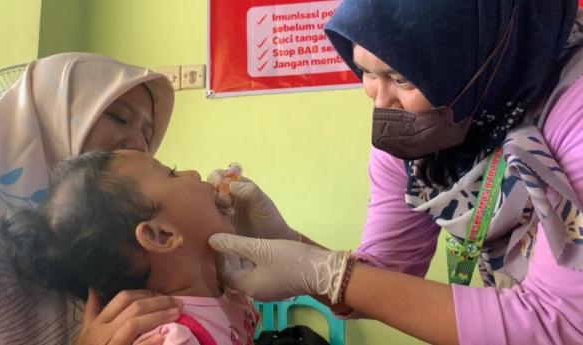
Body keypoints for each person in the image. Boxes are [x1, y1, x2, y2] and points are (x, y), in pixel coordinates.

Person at [207, 1, 583, 344]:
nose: (381, 101)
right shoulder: (414, 126)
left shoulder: (573, 106)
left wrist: (328, 273)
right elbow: (381, 282)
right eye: (366, 72)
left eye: (401, 78)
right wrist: (293, 247)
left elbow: (561, 324)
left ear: (482, 54)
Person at [0, 53, 179, 345]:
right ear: (49, 118)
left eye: (148, 135)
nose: (138, 144)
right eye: (119, 117)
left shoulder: (130, 241)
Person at [0, 149, 258, 345]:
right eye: (173, 173)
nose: (195, 174)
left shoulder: (229, 288)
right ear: (161, 235)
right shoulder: (171, 338)